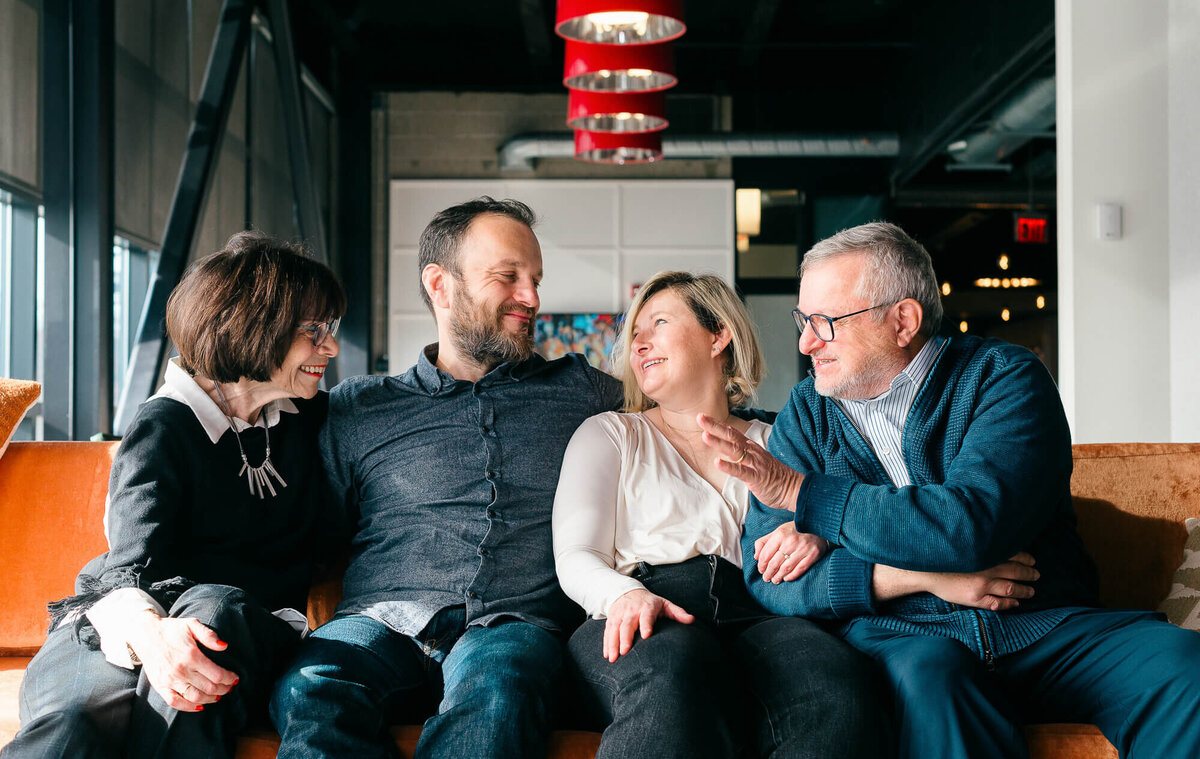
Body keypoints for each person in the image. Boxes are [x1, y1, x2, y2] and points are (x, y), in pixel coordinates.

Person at [698, 221, 1200, 759]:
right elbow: (766, 576)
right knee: (932, 678)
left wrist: (808, 500)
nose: (805, 342)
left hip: (1042, 626)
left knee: (1182, 667)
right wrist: (916, 578)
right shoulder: (808, 411)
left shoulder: (1004, 379)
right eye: (804, 320)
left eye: (824, 321)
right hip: (904, 636)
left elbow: (969, 527)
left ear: (903, 321)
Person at [270, 197, 625, 759]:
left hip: (515, 626)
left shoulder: (584, 392)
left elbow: (695, 417)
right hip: (380, 621)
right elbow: (306, 528)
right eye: (508, 277)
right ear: (440, 285)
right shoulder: (358, 408)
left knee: (500, 691)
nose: (531, 298)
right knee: (312, 687)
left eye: (534, 279)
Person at [3, 232, 347, 759]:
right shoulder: (166, 425)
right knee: (75, 722)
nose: (331, 347)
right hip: (126, 622)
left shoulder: (313, 420)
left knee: (215, 610)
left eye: (332, 329)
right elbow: (128, 568)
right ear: (254, 328)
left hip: (237, 630)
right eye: (314, 331)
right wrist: (154, 637)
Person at [553, 270, 884, 759]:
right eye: (635, 335)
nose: (640, 344)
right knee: (673, 677)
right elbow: (576, 554)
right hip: (643, 609)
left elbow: (840, 514)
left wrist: (816, 533)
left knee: (835, 685)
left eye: (658, 324)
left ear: (719, 335)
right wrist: (625, 595)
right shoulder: (610, 435)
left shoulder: (778, 442)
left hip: (760, 612)